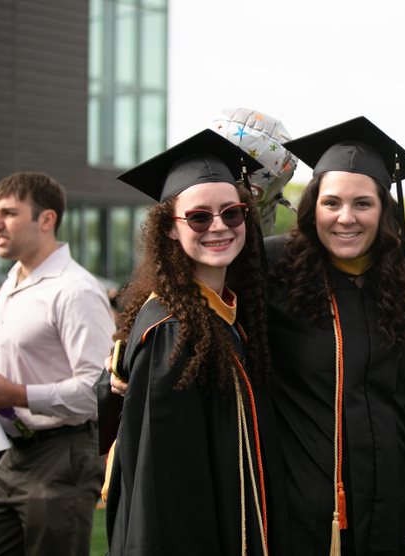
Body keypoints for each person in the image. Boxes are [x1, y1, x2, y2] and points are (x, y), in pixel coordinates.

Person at [100, 129, 285, 555]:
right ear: (169, 228)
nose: (218, 226)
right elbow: (161, 491)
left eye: (232, 213)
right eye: (199, 217)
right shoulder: (172, 331)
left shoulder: (222, 315)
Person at [266, 116, 405, 554]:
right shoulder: (273, 271)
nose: (346, 218)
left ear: (384, 209)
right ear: (312, 207)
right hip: (310, 507)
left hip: (396, 503)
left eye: (363, 204)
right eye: (332, 203)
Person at [0, 172, 114, 556]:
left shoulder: (75, 290)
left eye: (9, 213)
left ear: (46, 220)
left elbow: (98, 390)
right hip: (12, 453)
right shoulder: (12, 281)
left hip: (63, 458)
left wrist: (16, 394)